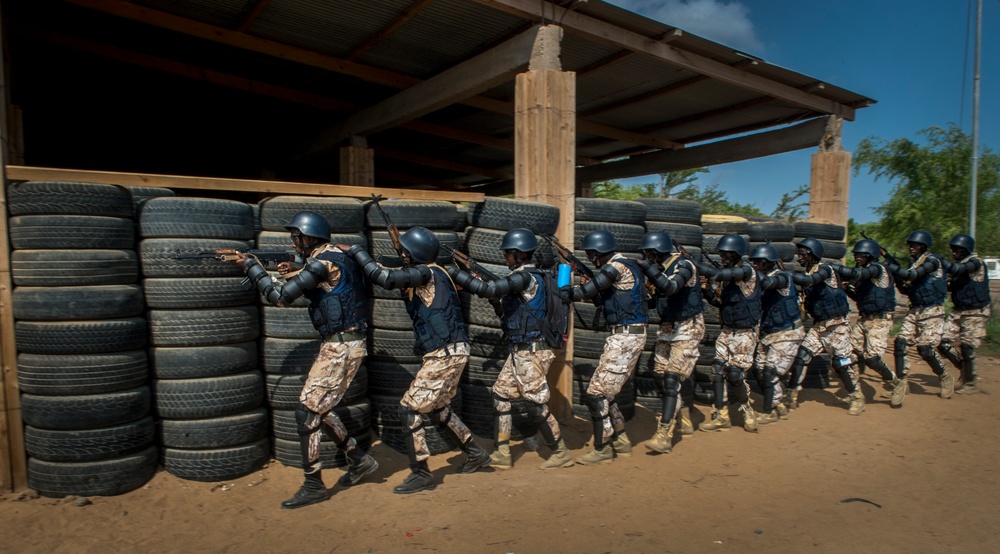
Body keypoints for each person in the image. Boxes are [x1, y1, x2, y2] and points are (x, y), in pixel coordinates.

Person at [234, 211, 377, 509]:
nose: (293, 241)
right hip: (344, 343)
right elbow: (331, 284)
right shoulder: (336, 255)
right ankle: (358, 458)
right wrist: (296, 268)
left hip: (342, 347)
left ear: (310, 237)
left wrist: (251, 267)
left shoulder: (321, 262)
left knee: (307, 413)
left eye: (296, 237)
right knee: (318, 408)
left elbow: (279, 298)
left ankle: (313, 484)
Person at [342, 227, 490, 494]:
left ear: (415, 255)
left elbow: (384, 278)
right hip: (453, 350)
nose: (403, 256)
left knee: (409, 409)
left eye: (406, 253)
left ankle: (421, 473)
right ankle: (476, 452)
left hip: (444, 354)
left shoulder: (425, 274)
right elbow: (390, 272)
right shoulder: (439, 272)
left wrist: (356, 251)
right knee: (438, 409)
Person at [448, 228, 574, 470]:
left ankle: (560, 452)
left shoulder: (527, 277)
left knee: (535, 403)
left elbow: (489, 289)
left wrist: (455, 272)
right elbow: (508, 312)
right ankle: (503, 452)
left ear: (520, 254)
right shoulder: (521, 278)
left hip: (532, 350)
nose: (505, 257)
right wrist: (497, 301)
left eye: (508, 253)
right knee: (501, 394)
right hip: (520, 349)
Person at [560, 230, 647, 465]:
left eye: (590, 254)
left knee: (596, 394)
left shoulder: (616, 267)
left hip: (626, 337)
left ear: (599, 252)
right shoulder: (624, 266)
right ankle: (620, 439)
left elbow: (583, 293)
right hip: (625, 336)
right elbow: (605, 300)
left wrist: (567, 289)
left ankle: (602, 449)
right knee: (607, 393)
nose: (590, 259)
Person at [635, 231, 703, 453]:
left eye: (648, 254)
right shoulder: (662, 269)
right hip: (668, 327)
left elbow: (671, 287)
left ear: (654, 252)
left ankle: (663, 435)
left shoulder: (685, 265)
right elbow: (657, 299)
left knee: (673, 378)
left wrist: (647, 268)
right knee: (660, 375)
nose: (647, 257)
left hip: (688, 327)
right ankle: (683, 416)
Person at [788, 238, 863, 415]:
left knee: (841, 363)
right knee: (802, 356)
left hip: (837, 326)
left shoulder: (825, 270)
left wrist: (786, 275)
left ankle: (856, 396)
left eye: (803, 254)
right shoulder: (809, 273)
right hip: (819, 327)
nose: (799, 257)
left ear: (812, 255)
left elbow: (810, 280)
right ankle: (791, 394)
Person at [697, 234, 761, 432]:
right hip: (727, 330)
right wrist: (705, 289)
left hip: (745, 332)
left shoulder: (746, 270)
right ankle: (721, 415)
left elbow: (721, 274)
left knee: (734, 374)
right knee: (717, 369)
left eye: (726, 254)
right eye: (721, 253)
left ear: (736, 254)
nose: (722, 257)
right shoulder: (728, 276)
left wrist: (693, 265)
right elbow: (719, 303)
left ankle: (747, 410)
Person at [833, 239, 906, 408]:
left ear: (870, 255)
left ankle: (895, 383)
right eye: (856, 255)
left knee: (872, 358)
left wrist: (833, 267)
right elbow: (859, 298)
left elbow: (858, 274)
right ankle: (856, 393)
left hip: (880, 320)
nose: (857, 257)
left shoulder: (878, 269)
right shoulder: (865, 275)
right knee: (849, 354)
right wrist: (847, 288)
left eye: (860, 255)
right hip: (864, 319)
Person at [884, 230, 954, 399]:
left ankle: (945, 377)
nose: (911, 248)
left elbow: (912, 275)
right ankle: (901, 383)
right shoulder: (915, 264)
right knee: (900, 343)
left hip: (933, 311)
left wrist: (890, 265)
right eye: (910, 245)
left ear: (923, 246)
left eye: (914, 245)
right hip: (915, 310)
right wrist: (896, 277)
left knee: (925, 349)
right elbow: (906, 289)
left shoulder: (932, 261)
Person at [748, 244, 804, 424]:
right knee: (759, 370)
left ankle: (769, 411)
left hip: (787, 334)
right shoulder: (761, 278)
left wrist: (749, 272)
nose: (755, 265)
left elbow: (769, 283)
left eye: (758, 262)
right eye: (754, 262)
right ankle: (778, 403)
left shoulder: (782, 277)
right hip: (769, 334)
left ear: (767, 263)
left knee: (771, 372)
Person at [937, 234, 991, 395]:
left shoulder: (976, 263)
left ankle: (970, 383)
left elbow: (956, 269)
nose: (954, 253)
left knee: (967, 347)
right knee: (941, 341)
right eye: (953, 250)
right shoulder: (960, 266)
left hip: (975, 312)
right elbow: (950, 286)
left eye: (957, 250)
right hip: (958, 310)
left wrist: (939, 260)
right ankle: (965, 368)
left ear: (966, 249)